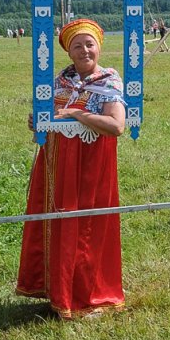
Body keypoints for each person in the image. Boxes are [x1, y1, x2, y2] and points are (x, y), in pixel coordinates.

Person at [16, 18, 126, 319]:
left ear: (99, 47)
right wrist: (39, 121)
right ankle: (57, 291)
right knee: (56, 222)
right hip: (56, 162)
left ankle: (87, 297)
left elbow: (116, 126)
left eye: (89, 44)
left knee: (87, 226)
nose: (85, 50)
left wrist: (74, 115)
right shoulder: (58, 81)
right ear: (68, 51)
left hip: (91, 167)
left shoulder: (109, 82)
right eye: (77, 45)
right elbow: (51, 115)